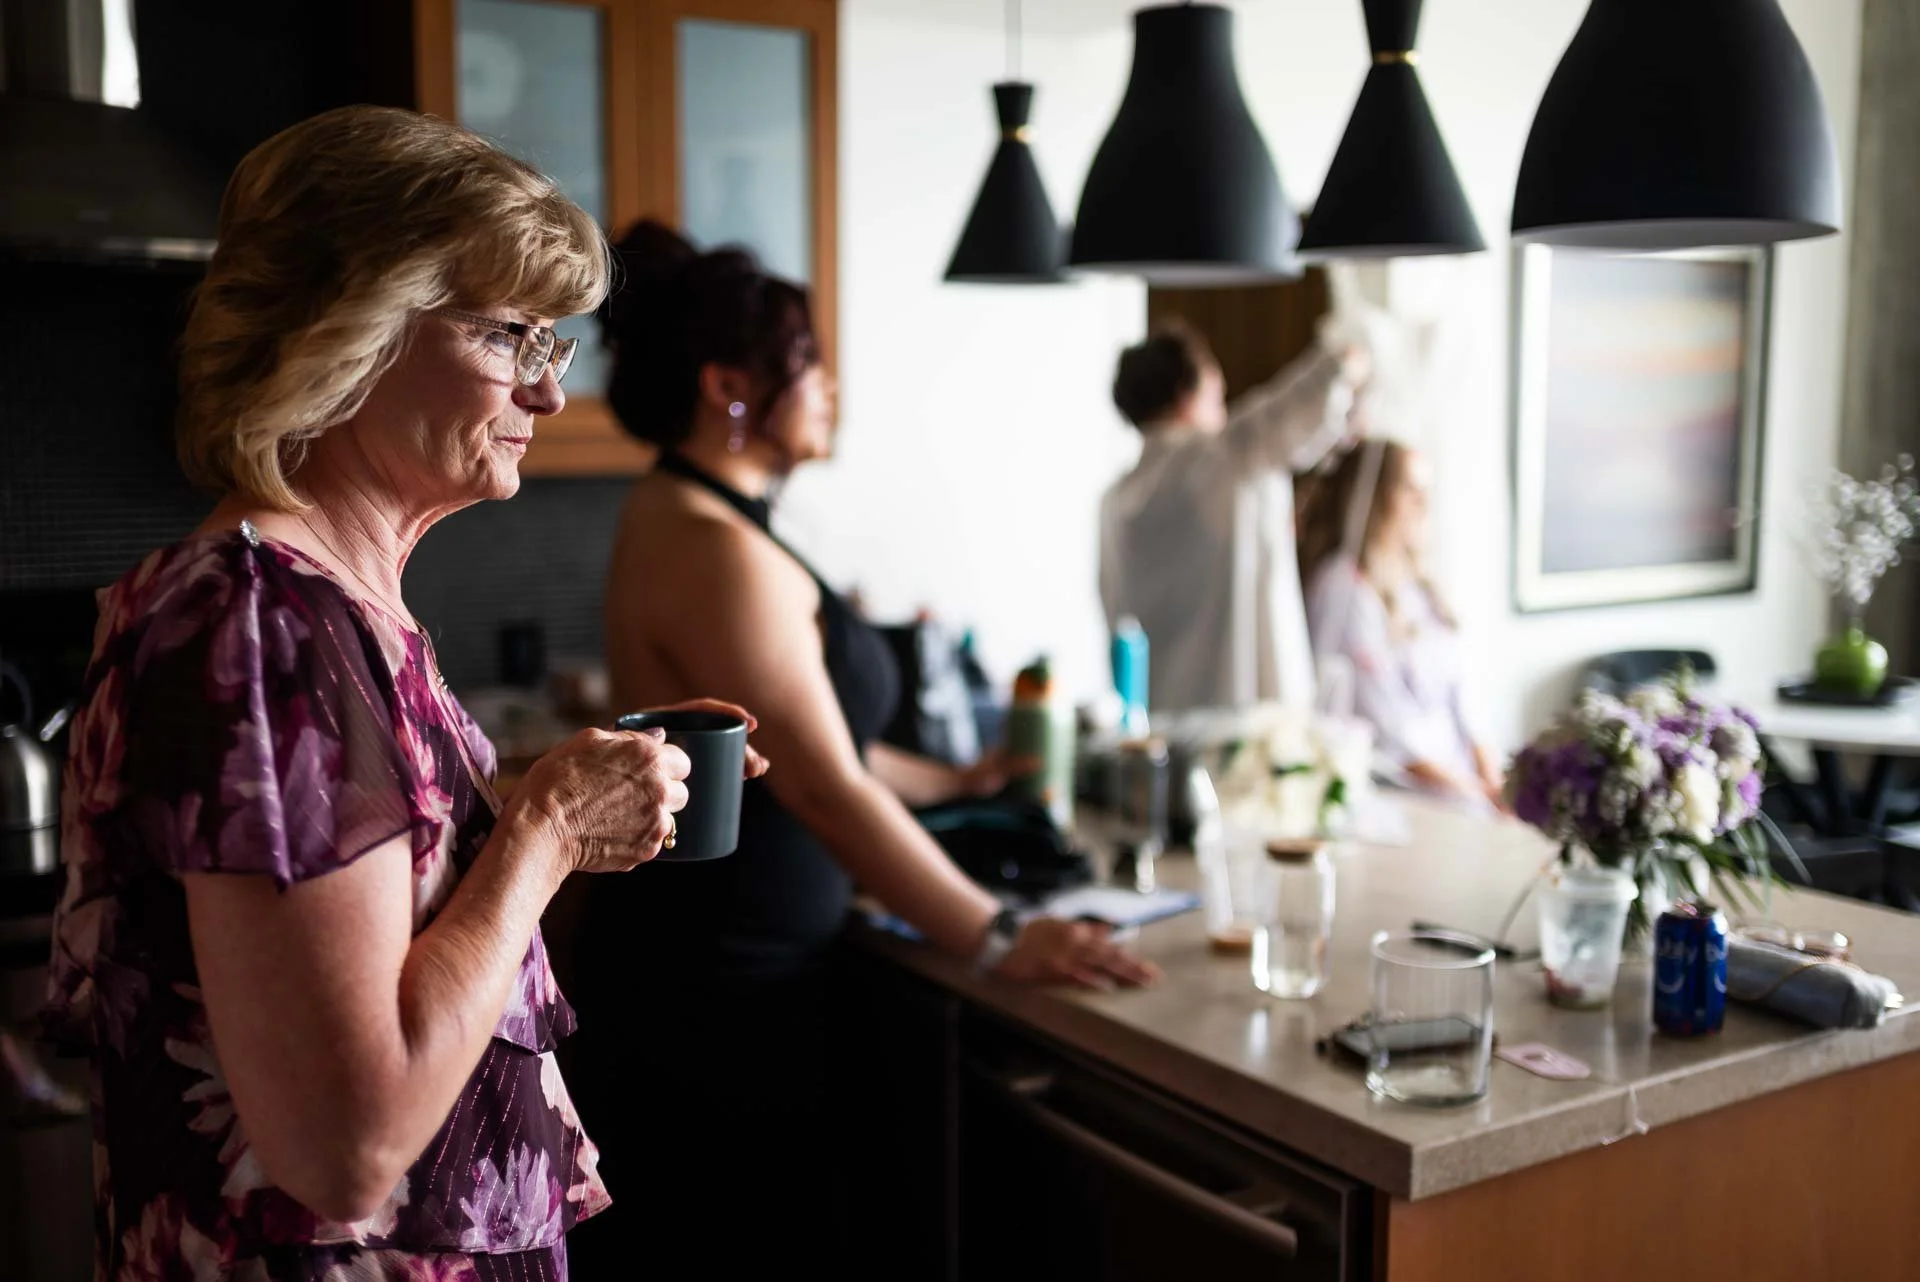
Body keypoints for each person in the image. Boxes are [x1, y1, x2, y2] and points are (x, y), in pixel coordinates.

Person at [42, 107, 766, 1282]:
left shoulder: (341, 614)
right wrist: (547, 830)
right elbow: (348, 1145)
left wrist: (548, 805)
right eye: (512, 338)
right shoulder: (263, 626)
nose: (547, 396)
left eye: (553, 347)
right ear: (351, 333)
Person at [565, 220, 1157, 1274]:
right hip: (718, 998)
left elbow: (811, 742)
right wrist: (995, 934)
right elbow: (828, 785)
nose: (832, 388)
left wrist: (964, 778)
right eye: (809, 365)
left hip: (732, 972)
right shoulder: (714, 547)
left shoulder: (704, 517)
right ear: (729, 387)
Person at [1098, 317, 1370, 720]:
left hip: (1155, 718)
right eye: (1217, 393)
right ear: (1187, 393)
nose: (1223, 410)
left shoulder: (1115, 501)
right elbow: (1308, 397)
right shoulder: (1221, 459)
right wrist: (1355, 355)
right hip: (1239, 719)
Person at [1297, 438, 1504, 812]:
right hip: (1406, 797)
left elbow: (1462, 696)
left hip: (1463, 784)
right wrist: (1475, 795)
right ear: (1377, 497)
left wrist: (1492, 780)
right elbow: (1386, 730)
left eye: (1426, 490)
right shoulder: (1344, 589)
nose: (1423, 503)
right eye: (1410, 489)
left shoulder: (1420, 587)